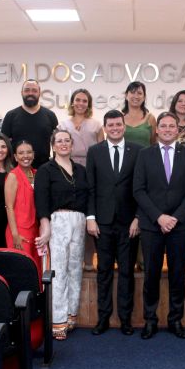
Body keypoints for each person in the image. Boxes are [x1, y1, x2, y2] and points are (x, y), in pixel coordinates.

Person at [133, 111, 185, 340]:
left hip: (179, 226)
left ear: (177, 130)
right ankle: (150, 320)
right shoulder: (144, 155)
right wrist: (159, 217)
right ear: (157, 130)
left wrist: (175, 217)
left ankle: (175, 320)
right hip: (152, 226)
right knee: (151, 274)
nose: (168, 129)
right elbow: (138, 190)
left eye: (172, 126)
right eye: (163, 126)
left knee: (177, 275)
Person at [86, 110, 141, 336]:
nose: (115, 128)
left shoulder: (138, 151)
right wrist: (90, 218)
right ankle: (103, 318)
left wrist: (138, 217)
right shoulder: (94, 151)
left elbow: (141, 188)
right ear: (105, 128)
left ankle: (125, 319)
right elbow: (90, 187)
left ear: (124, 126)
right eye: (111, 125)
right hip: (102, 223)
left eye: (118, 124)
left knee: (127, 272)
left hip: (129, 224)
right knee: (104, 272)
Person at [34, 129, 88, 341]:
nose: (64, 144)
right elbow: (41, 200)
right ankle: (57, 321)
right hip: (57, 221)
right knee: (57, 271)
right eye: (59, 141)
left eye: (67, 141)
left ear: (72, 145)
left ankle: (70, 316)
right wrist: (45, 226)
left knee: (75, 269)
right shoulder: (46, 170)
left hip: (79, 220)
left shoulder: (80, 170)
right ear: (53, 145)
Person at [59, 88, 104, 271]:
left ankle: (89, 261)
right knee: (73, 214)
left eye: (85, 101)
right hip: (68, 171)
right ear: (72, 102)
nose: (81, 103)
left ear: (89, 104)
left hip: (91, 171)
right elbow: (58, 149)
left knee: (90, 215)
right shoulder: (63, 124)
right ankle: (71, 260)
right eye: (78, 100)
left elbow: (102, 152)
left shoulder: (96, 125)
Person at [1, 79, 58, 169]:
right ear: (21, 93)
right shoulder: (11, 116)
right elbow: (3, 144)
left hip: (44, 169)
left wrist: (56, 166)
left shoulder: (50, 115)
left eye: (34, 90)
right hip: (16, 169)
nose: (30, 93)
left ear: (39, 93)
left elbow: (56, 143)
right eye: (27, 90)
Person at [4, 140, 40, 273]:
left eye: (29, 152)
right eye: (21, 153)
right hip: (19, 231)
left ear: (33, 154)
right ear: (15, 157)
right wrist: (15, 234)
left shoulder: (37, 174)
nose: (25, 156)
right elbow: (9, 207)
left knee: (36, 269)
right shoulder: (13, 176)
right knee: (22, 270)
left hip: (35, 230)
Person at [122, 81, 157, 148]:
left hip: (145, 155)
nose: (136, 96)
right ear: (126, 96)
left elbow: (154, 143)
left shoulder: (150, 118)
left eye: (139, 93)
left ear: (144, 97)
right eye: (132, 92)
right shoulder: (119, 117)